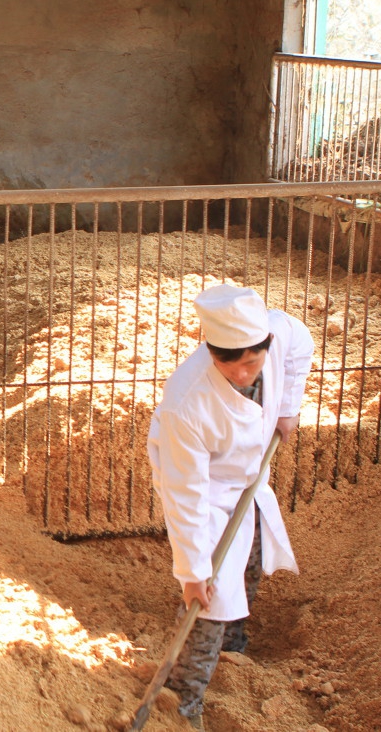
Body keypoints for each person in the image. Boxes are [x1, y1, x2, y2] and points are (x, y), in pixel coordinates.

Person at [146, 284, 314, 729]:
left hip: (246, 476)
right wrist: (192, 571)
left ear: (265, 345)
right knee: (210, 594)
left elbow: (301, 340)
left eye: (251, 363)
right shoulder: (186, 401)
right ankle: (184, 701)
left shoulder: (277, 335)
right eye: (228, 364)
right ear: (211, 351)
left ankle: (234, 650)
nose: (242, 374)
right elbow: (185, 495)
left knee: (252, 556)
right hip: (205, 485)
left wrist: (288, 407)